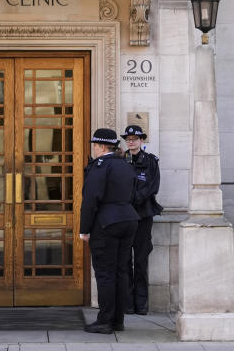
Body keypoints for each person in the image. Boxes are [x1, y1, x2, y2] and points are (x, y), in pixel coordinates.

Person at [79, 128, 139, 334]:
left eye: (95, 146)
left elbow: (90, 201)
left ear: (102, 146)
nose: (93, 150)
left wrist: (84, 230)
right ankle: (117, 320)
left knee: (105, 273)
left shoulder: (100, 166)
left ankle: (105, 321)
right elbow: (133, 194)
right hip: (128, 219)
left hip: (106, 224)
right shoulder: (124, 164)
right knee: (121, 272)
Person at [121, 124, 163, 315]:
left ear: (141, 141)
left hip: (143, 215)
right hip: (125, 216)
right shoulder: (121, 161)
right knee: (124, 261)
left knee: (140, 260)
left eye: (134, 139)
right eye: (128, 139)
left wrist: (135, 198)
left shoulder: (151, 162)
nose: (131, 142)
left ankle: (141, 303)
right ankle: (128, 303)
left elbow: (152, 187)